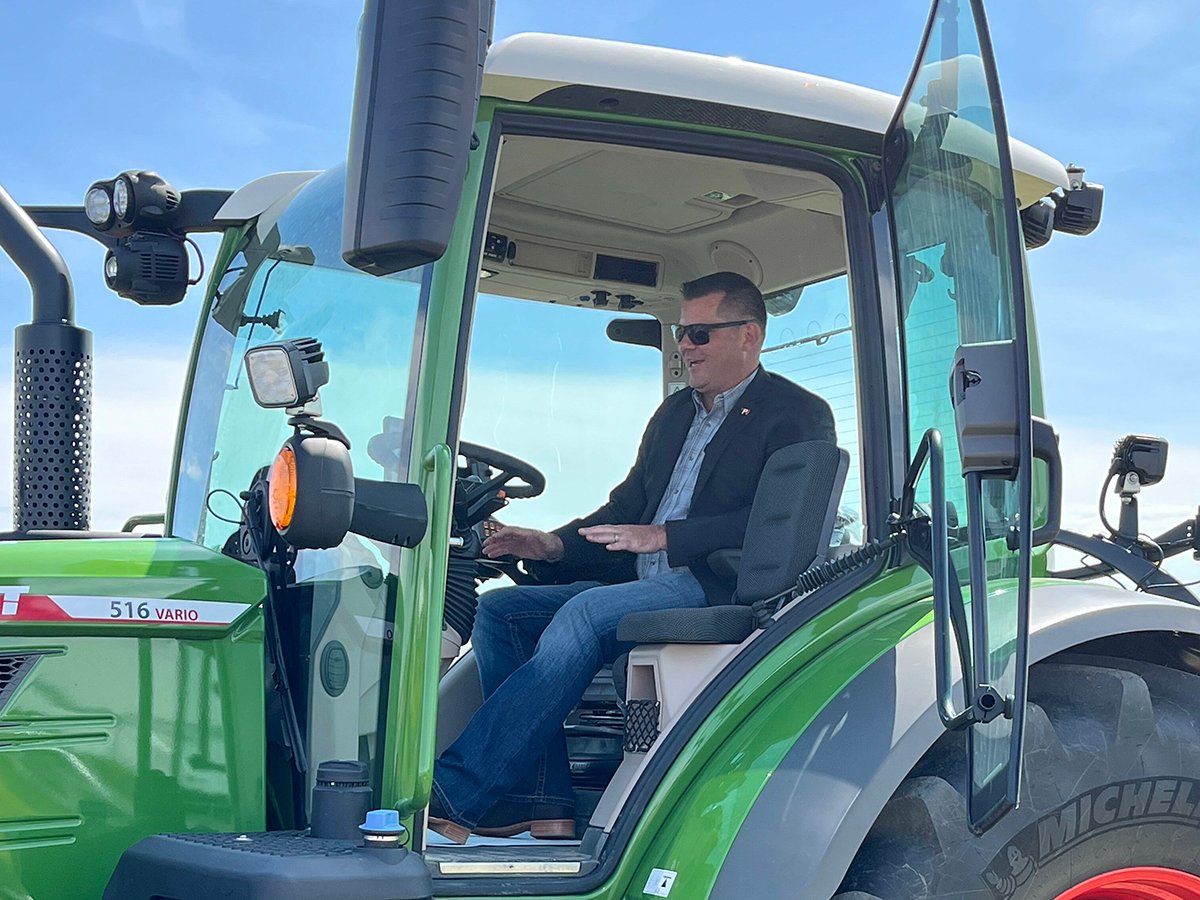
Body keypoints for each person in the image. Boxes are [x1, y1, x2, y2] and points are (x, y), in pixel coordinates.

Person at [429, 271, 836, 843]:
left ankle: (458, 789)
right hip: (646, 578)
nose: (684, 347)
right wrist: (551, 544)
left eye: (698, 334)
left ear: (749, 336)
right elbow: (625, 506)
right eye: (679, 332)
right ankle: (542, 800)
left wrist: (668, 537)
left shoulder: (797, 414)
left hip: (714, 583)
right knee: (503, 611)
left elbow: (778, 522)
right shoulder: (674, 415)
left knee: (586, 614)